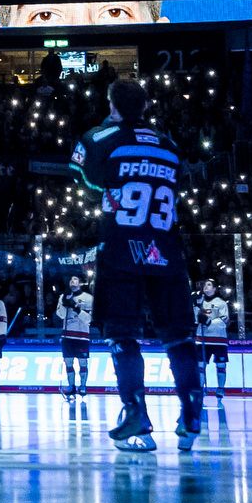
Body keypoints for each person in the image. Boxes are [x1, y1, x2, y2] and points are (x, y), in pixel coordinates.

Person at [70, 76, 204, 450]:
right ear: (144, 106)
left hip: (121, 250)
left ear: (112, 104)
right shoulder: (169, 145)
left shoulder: (100, 138)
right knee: (179, 337)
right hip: (166, 249)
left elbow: (88, 180)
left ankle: (135, 413)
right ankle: (192, 409)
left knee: (122, 336)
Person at [57, 281, 95, 404]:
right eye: (71, 280)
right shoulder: (63, 296)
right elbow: (61, 315)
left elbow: (89, 319)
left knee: (82, 361)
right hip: (67, 335)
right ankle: (71, 387)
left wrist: (76, 308)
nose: (73, 282)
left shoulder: (88, 298)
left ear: (80, 283)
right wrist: (64, 303)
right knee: (68, 361)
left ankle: (83, 386)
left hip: (82, 335)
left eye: (76, 279)